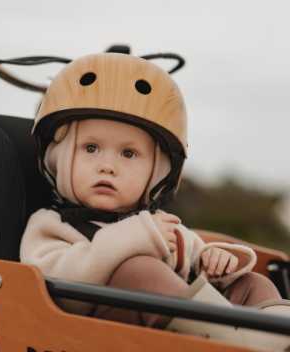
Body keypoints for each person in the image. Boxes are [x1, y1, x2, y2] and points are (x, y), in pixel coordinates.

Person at [20, 52, 289, 350]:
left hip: (177, 332)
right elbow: (55, 284)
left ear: (156, 173)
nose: (107, 166)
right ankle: (239, 345)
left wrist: (214, 260)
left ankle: (275, 341)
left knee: (253, 283)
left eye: (128, 154)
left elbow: (195, 260)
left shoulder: (159, 225)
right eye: (91, 148)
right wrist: (136, 237)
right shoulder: (50, 225)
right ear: (58, 159)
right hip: (96, 332)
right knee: (140, 271)